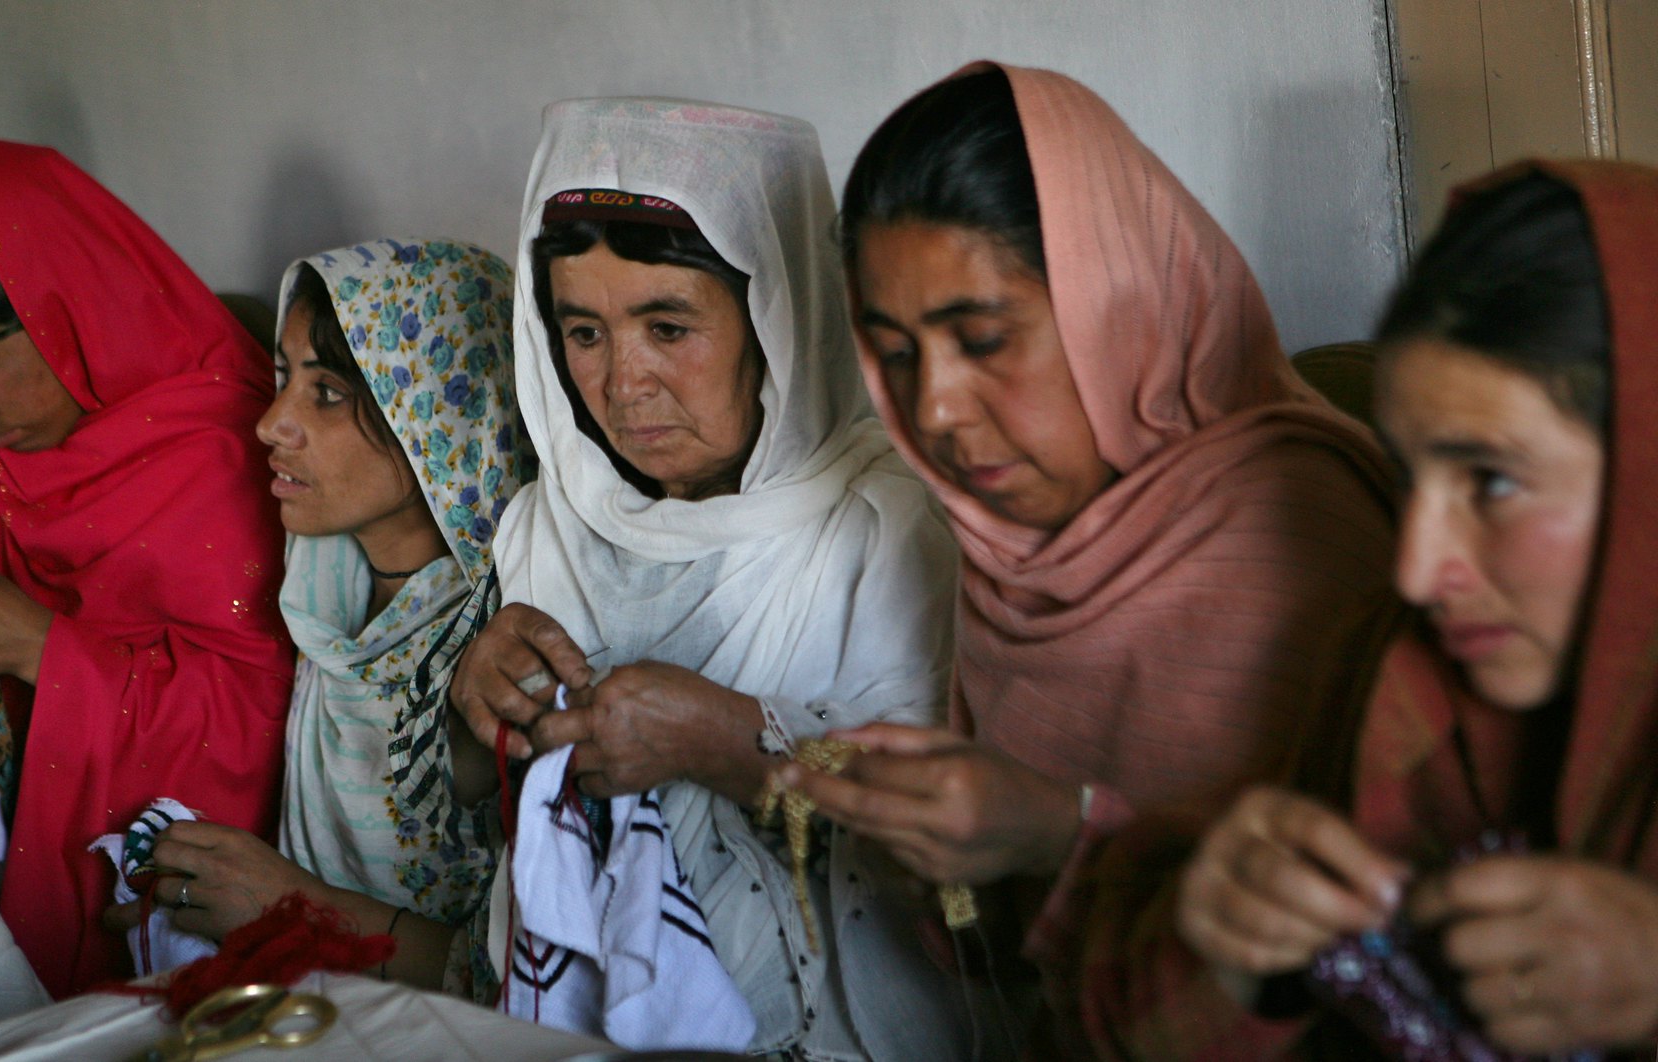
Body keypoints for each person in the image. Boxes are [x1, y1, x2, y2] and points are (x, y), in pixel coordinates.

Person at [780, 64, 1398, 1056]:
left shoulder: (1298, 540)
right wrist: (945, 861)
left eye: (984, 339)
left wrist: (1058, 832)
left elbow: (1366, 974)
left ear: (1124, 303)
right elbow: (1016, 954)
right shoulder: (1016, 549)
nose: (934, 409)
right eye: (894, 353)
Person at [447, 97, 967, 1058]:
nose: (624, 384)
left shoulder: (888, 529)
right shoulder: (546, 529)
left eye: (668, 326)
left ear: (780, 319)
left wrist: (728, 740)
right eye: (584, 332)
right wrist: (479, 702)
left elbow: (951, 863)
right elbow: (480, 817)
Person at [1137, 163, 1658, 1059]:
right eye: (1410, 478)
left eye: (1492, 481)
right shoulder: (1389, 666)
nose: (1416, 574)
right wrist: (1239, 956)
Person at [0, 140, 294, 995]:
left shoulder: (233, 454)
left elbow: (280, 726)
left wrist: (39, 648)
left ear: (71, 305)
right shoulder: (29, 451)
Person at [112, 237, 533, 995]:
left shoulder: (493, 657)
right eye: (284, 378)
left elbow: (517, 981)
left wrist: (289, 905)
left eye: (328, 393)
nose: (272, 423)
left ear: (440, 413)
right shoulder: (320, 592)